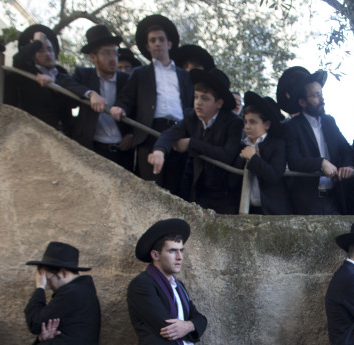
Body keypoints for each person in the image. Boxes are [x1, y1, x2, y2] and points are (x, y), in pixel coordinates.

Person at [111, 15, 192, 191]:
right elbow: (126, 98)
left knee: (176, 189)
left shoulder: (184, 75)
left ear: (169, 44)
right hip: (149, 133)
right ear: (147, 46)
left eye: (161, 39)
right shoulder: (140, 73)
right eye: (153, 40)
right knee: (151, 189)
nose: (157, 44)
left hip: (178, 133)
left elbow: (190, 104)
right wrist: (120, 107)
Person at [150, 68, 243, 213]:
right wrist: (159, 151)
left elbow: (227, 155)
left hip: (225, 193)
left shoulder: (234, 122)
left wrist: (191, 143)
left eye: (205, 98)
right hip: (198, 188)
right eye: (196, 97)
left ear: (219, 103)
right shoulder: (191, 116)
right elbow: (171, 133)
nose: (198, 103)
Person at [284, 68, 354, 214]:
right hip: (307, 201)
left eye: (321, 94)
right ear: (302, 102)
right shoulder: (292, 126)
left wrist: (348, 165)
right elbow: (294, 160)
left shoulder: (329, 121)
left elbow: (345, 148)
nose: (321, 99)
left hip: (334, 198)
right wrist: (321, 162)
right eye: (316, 96)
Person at [12, 25, 96, 135]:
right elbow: (18, 60)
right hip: (39, 134)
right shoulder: (28, 73)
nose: (47, 54)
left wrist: (54, 85)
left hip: (65, 134)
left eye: (49, 49)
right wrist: (36, 42)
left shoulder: (62, 74)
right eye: (41, 50)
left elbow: (72, 103)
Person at [72, 25, 133, 170]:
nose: (113, 59)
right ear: (93, 57)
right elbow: (65, 82)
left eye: (115, 53)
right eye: (107, 53)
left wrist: (132, 134)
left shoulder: (127, 79)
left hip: (121, 151)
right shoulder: (83, 75)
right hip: (93, 148)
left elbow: (137, 107)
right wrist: (91, 94)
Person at [234, 91, 290, 214]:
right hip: (247, 209)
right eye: (245, 121)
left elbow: (274, 175)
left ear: (267, 124)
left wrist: (254, 158)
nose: (247, 126)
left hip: (271, 211)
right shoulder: (243, 145)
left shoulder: (277, 145)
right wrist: (243, 157)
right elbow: (232, 180)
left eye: (253, 122)